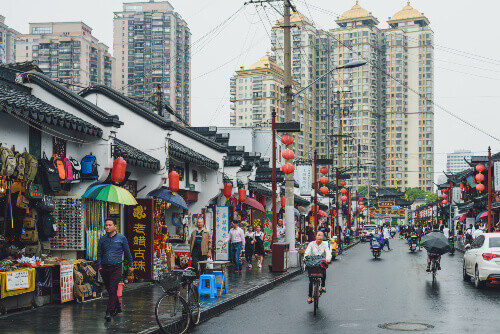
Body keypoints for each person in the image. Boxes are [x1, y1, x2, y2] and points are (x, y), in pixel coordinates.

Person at [97, 218, 134, 322]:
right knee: (109, 289)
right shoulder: (102, 239)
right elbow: (99, 253)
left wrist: (131, 264)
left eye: (109, 225)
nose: (107, 227)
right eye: (106, 225)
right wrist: (99, 266)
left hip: (116, 267)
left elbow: (127, 252)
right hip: (104, 267)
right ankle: (117, 307)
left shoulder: (121, 238)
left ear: (115, 226)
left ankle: (109, 311)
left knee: (113, 289)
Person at [304, 231, 332, 303]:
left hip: (320, 261)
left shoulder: (325, 244)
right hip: (313, 261)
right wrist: (305, 257)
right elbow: (307, 252)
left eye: (321, 236)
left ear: (323, 237)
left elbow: (328, 253)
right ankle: (310, 297)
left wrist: (328, 258)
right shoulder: (311, 244)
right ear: (315, 236)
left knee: (323, 269)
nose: (319, 237)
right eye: (318, 235)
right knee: (311, 280)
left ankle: (323, 286)